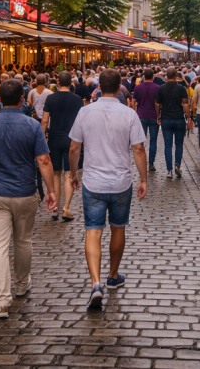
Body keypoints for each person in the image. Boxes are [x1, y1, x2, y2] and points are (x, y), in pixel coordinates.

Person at [0, 79, 57, 319]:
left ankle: (1, 301)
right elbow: (44, 161)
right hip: (24, 192)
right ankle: (20, 284)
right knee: (23, 241)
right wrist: (51, 191)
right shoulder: (32, 125)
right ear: (21, 100)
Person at [67, 68, 148, 310]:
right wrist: (143, 179)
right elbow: (139, 149)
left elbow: (74, 148)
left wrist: (73, 173)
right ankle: (113, 275)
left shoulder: (85, 112)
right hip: (120, 181)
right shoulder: (129, 114)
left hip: (93, 181)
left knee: (93, 231)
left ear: (99, 86)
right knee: (118, 228)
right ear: (119, 87)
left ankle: (95, 283)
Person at [42, 72, 84, 221]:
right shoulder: (77, 99)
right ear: (71, 83)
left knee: (55, 174)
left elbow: (45, 120)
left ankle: (54, 208)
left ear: (58, 82)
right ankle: (66, 208)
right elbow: (81, 120)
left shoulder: (51, 98)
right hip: (72, 139)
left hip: (54, 138)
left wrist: (41, 138)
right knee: (68, 174)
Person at [155, 67, 191, 179]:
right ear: (176, 75)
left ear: (166, 76)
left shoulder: (161, 88)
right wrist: (189, 117)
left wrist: (158, 115)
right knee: (179, 144)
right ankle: (177, 165)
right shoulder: (181, 88)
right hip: (179, 118)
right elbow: (185, 104)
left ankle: (169, 170)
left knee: (168, 145)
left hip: (166, 118)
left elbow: (157, 104)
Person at [131, 68, 160, 172]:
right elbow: (158, 103)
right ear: (153, 76)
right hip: (153, 116)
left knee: (140, 141)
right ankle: (151, 163)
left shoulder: (138, 87)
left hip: (141, 116)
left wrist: (134, 111)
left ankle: (141, 162)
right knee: (153, 140)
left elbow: (133, 101)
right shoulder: (157, 87)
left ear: (143, 77)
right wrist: (158, 114)